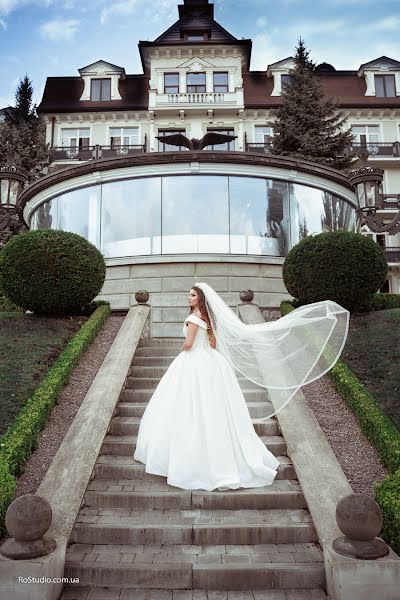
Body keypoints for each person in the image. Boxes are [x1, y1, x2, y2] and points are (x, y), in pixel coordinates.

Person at [133, 282, 349, 492]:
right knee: (213, 409)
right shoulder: (209, 319)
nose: (188, 298)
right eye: (189, 295)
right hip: (212, 363)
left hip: (192, 363)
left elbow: (189, 345)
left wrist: (182, 351)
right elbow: (214, 344)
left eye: (192, 295)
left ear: (200, 299)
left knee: (187, 407)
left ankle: (189, 460)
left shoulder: (192, 318)